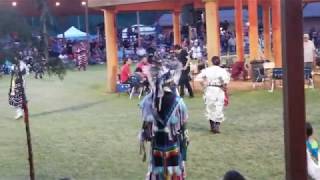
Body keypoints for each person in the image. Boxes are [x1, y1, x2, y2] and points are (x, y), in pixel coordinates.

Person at [139, 59, 189, 180]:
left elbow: (146, 132)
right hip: (173, 146)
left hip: (157, 146)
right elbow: (183, 129)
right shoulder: (178, 102)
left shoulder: (147, 101)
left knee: (157, 173)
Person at [196, 56, 230, 134]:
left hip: (209, 89)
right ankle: (217, 126)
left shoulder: (207, 70)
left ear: (211, 62)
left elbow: (199, 78)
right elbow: (225, 82)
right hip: (218, 89)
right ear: (219, 62)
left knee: (210, 107)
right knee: (219, 107)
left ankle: (212, 126)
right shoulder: (222, 71)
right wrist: (225, 90)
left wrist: (203, 85)